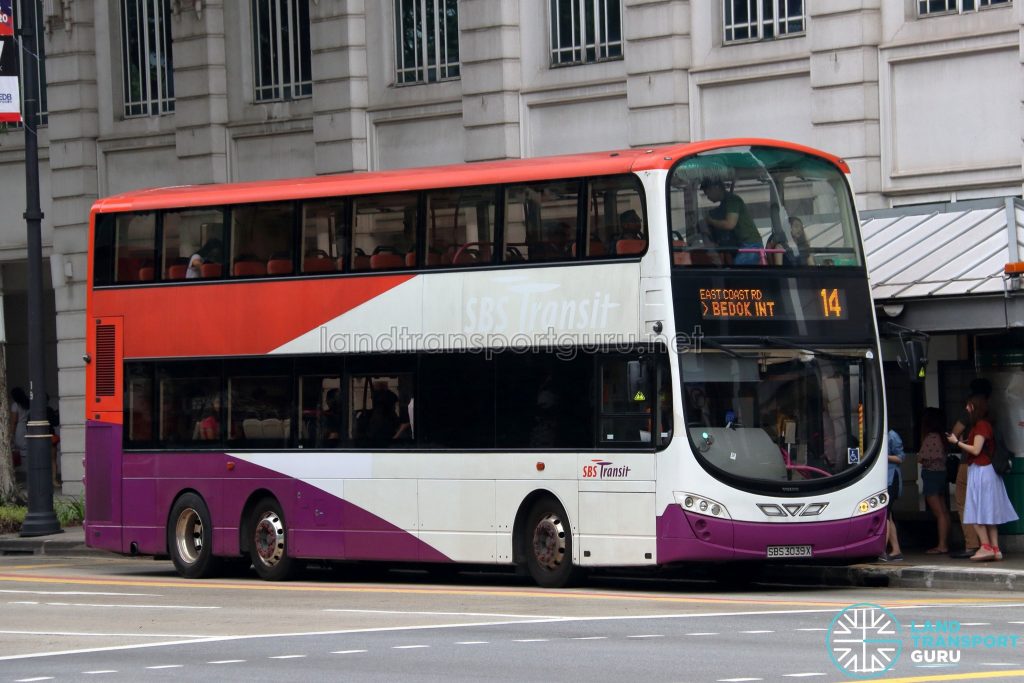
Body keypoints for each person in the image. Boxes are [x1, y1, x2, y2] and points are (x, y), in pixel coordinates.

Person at [946, 394, 1018, 561]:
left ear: (974, 407)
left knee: (975, 510)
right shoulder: (986, 425)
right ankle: (995, 548)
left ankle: (985, 546)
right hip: (988, 472)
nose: (966, 408)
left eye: (969, 405)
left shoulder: (980, 426)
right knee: (989, 512)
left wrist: (957, 442)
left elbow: (976, 450)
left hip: (981, 471)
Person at [948, 378, 991, 557]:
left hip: (970, 463)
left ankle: (972, 544)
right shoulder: (990, 411)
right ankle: (989, 545)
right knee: (983, 504)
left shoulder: (972, 413)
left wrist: (956, 442)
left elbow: (955, 432)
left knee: (964, 502)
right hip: (988, 465)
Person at [699, 178, 763, 265]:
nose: (708, 197)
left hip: (752, 245)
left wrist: (710, 221)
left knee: (737, 267)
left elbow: (729, 224)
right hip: (739, 244)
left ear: (716, 188)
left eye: (708, 193)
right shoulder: (724, 204)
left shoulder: (733, 200)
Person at [918, 407, 950, 554]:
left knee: (939, 513)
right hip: (941, 474)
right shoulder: (941, 437)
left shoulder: (930, 438)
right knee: (944, 511)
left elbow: (921, 458)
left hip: (931, 475)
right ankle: (945, 543)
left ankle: (942, 545)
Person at [879, 428, 905, 562]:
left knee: (885, 514)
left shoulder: (892, 435)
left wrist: (883, 455)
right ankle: (896, 550)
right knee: (888, 515)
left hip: (891, 479)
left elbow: (900, 457)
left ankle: (881, 549)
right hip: (882, 480)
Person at [9, 388, 29, 474]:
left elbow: (14, 421)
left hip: (18, 428)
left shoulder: (15, 405)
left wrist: (11, 433)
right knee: (25, 445)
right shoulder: (26, 404)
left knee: (16, 446)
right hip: (26, 426)